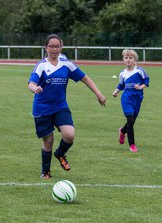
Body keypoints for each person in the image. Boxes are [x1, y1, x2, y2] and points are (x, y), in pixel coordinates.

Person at [28, 34, 106, 179]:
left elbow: (84, 78)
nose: (54, 49)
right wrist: (34, 88)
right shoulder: (41, 66)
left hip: (60, 106)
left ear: (61, 47)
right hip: (42, 108)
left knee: (69, 135)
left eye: (57, 46)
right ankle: (45, 171)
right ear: (46, 47)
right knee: (48, 141)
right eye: (51, 46)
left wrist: (98, 94)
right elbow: (31, 83)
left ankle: (60, 154)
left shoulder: (66, 64)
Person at [112, 49, 149, 153]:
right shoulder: (122, 74)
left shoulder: (140, 71)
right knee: (130, 120)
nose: (128, 60)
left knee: (132, 121)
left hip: (137, 98)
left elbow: (146, 81)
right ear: (123, 59)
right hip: (126, 98)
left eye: (130, 58)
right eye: (126, 58)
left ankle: (123, 131)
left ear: (134, 59)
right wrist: (116, 91)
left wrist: (140, 87)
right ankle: (132, 145)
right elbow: (121, 85)